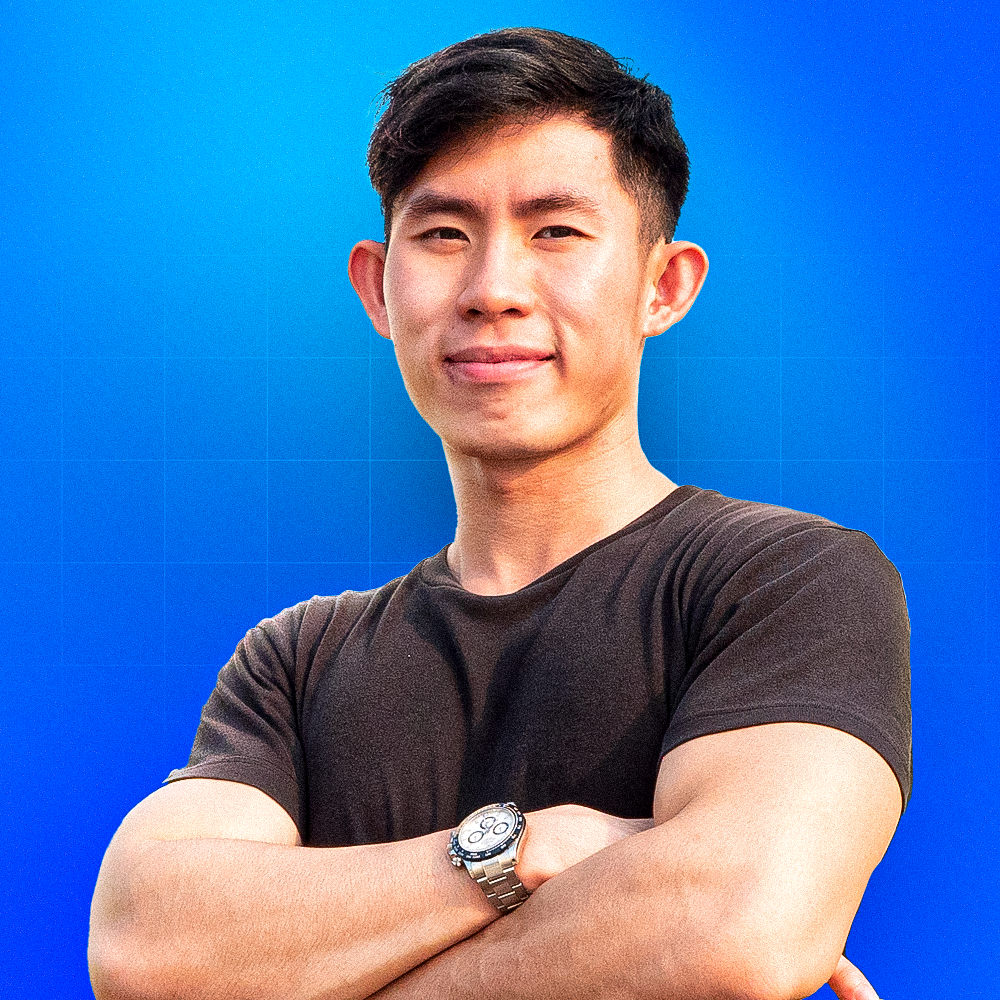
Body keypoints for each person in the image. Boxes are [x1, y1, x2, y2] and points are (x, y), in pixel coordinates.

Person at [88, 28, 910, 1000]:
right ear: (377, 287)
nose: (493, 291)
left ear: (663, 285)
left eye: (555, 231)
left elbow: (738, 925)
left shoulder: (783, 582)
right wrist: (522, 851)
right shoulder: (297, 664)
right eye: (444, 234)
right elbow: (143, 944)